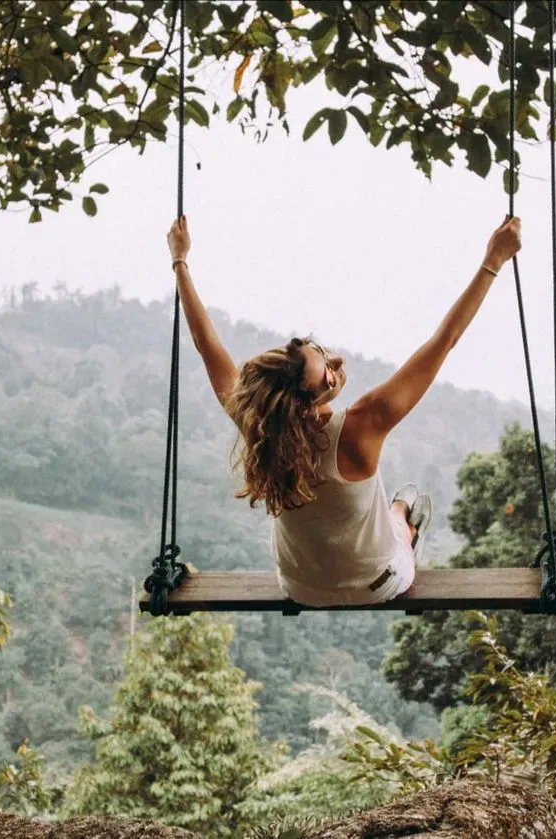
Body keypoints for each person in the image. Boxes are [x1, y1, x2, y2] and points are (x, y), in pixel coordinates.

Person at [165, 214, 522, 607]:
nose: (334, 362)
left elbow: (204, 342)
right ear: (319, 393)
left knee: (379, 515)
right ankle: (404, 519)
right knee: (397, 525)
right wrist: (493, 261)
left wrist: (180, 261)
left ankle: (399, 511)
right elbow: (444, 340)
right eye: (326, 368)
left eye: (319, 351)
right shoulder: (362, 425)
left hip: (302, 589)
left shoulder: (259, 424)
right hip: (379, 584)